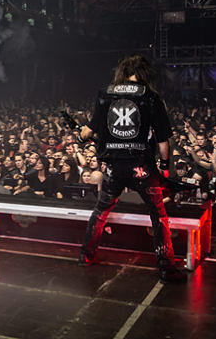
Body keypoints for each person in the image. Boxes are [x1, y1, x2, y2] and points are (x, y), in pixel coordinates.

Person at [78, 54, 186, 283]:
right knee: (158, 215)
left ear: (123, 72)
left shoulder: (105, 94)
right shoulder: (151, 96)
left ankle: (86, 255)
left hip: (113, 168)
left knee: (100, 212)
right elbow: (163, 140)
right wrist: (164, 167)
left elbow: (88, 131)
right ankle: (166, 268)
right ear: (144, 72)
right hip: (142, 168)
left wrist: (82, 134)